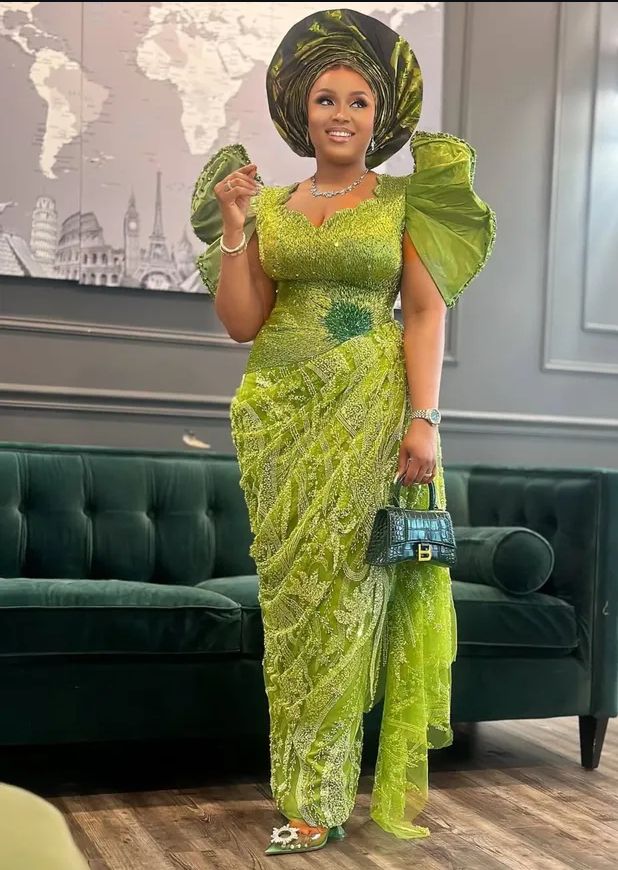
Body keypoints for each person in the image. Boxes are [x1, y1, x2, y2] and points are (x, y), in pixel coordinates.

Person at [191, 8, 495, 856]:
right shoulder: (270, 205)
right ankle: (300, 786)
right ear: (302, 110)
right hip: (278, 418)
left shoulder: (405, 200)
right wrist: (236, 231)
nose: (341, 114)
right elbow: (242, 323)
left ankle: (317, 801)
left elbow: (424, 315)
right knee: (294, 607)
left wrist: (423, 419)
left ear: (379, 117)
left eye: (358, 101)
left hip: (369, 414)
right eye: (326, 98)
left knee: (345, 601)